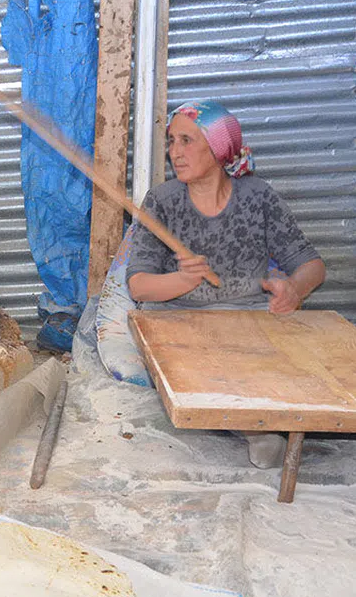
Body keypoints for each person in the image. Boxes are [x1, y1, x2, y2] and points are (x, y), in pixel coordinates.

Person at [125, 100, 327, 468]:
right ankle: (255, 430)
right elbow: (139, 287)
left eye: (186, 141)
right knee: (200, 367)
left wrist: (294, 291)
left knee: (284, 364)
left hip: (247, 319)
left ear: (218, 148)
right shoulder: (162, 201)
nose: (175, 153)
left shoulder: (257, 197)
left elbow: (312, 265)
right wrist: (181, 280)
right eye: (171, 142)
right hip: (176, 319)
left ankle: (250, 419)